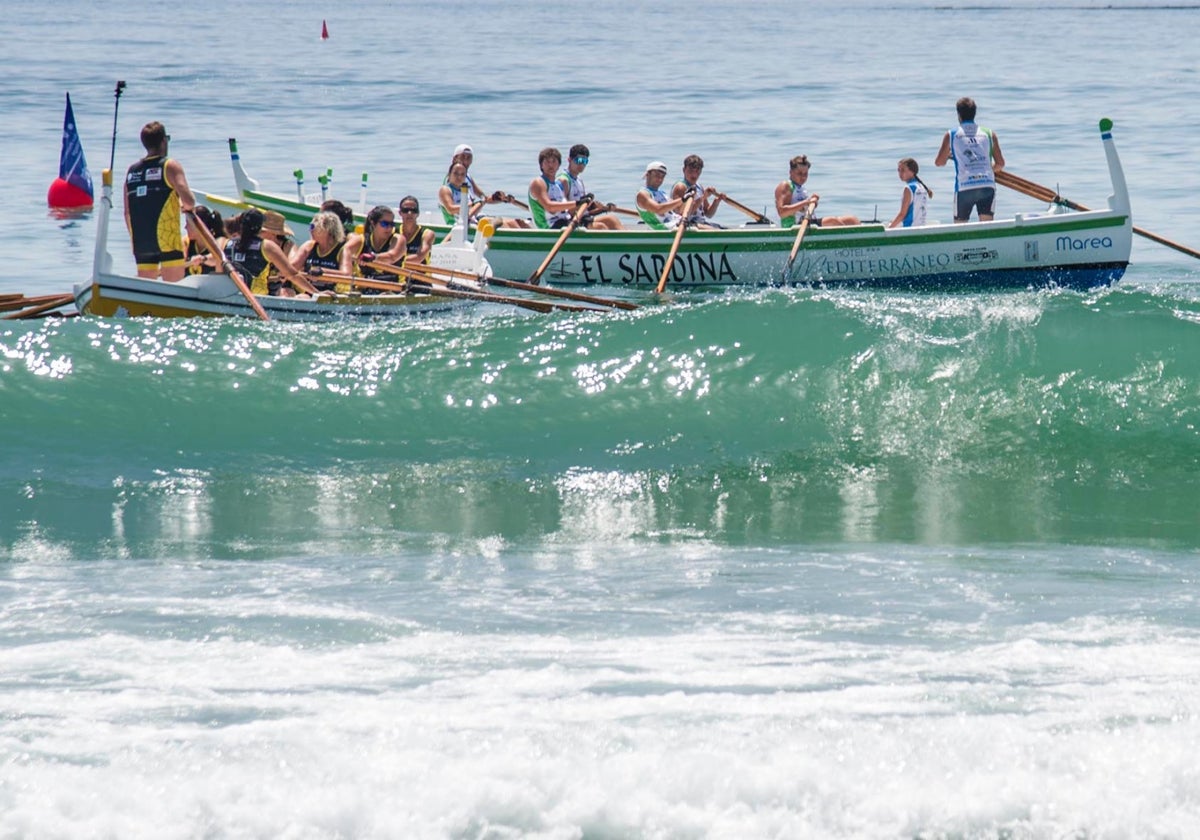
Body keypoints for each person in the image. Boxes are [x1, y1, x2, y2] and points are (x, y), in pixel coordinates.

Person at [124, 121, 196, 282]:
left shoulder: (132, 171)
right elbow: (189, 201)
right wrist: (184, 206)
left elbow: (127, 212)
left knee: (147, 291)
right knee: (174, 291)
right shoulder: (170, 166)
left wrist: (135, 240)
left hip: (141, 241)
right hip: (167, 240)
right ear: (164, 141)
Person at [934, 96, 1005, 222]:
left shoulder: (951, 134)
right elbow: (1000, 164)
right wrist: (988, 171)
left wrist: (949, 155)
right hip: (987, 184)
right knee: (987, 227)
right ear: (975, 113)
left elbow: (939, 162)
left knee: (960, 228)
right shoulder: (989, 134)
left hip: (964, 186)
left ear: (958, 115)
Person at [223, 207, 308, 297]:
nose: (257, 233)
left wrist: (283, 268)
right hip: (264, 284)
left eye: (262, 231)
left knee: (285, 292)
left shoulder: (288, 246)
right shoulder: (257, 245)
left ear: (273, 233)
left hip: (286, 284)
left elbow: (293, 267)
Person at [774, 155, 860, 228]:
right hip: (794, 227)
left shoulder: (801, 188)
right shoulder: (786, 185)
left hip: (808, 222)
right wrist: (806, 202)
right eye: (799, 173)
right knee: (832, 221)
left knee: (852, 219)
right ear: (791, 172)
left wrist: (811, 204)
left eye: (805, 174)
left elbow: (802, 208)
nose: (803, 177)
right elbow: (782, 212)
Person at [439, 162, 527, 228]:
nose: (459, 177)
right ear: (449, 174)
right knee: (503, 225)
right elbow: (450, 209)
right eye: (455, 173)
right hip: (460, 224)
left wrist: (498, 198)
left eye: (462, 174)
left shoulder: (465, 188)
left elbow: (484, 199)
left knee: (517, 222)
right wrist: (473, 204)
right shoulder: (445, 189)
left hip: (474, 218)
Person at [557, 144, 622, 230]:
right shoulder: (563, 180)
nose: (581, 164)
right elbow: (565, 210)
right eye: (578, 160)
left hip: (583, 219)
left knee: (612, 219)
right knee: (600, 227)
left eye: (585, 161)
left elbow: (585, 211)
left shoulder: (579, 180)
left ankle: (630, 242)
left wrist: (603, 209)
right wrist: (589, 204)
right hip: (570, 222)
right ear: (569, 160)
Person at [291, 210, 350, 289]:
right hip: (309, 290)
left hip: (332, 293)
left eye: (312, 226)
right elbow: (291, 267)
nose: (310, 230)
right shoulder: (308, 246)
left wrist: (322, 271)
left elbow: (346, 275)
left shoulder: (343, 250)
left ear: (326, 228)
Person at [349, 205, 407, 282]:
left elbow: (392, 257)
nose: (389, 228)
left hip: (395, 289)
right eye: (385, 224)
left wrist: (373, 257)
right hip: (364, 288)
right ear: (373, 223)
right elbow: (344, 252)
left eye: (391, 224)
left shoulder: (398, 239)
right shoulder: (361, 240)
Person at [528, 147, 580, 229]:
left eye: (554, 161)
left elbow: (567, 209)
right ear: (541, 165)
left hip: (564, 223)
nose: (551, 165)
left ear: (559, 165)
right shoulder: (538, 183)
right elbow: (550, 207)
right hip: (548, 228)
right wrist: (577, 203)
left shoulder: (559, 185)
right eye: (547, 162)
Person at [669, 155, 724, 228]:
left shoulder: (699, 187)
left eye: (697, 171)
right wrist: (703, 197)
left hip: (700, 223)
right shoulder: (681, 187)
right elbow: (682, 213)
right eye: (691, 171)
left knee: (723, 228)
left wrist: (716, 201)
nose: (694, 174)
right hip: (685, 224)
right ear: (684, 170)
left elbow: (708, 214)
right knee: (716, 231)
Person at [635, 161, 688, 229]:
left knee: (700, 225)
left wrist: (687, 199)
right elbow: (658, 209)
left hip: (677, 224)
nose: (660, 179)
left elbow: (679, 210)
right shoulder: (643, 194)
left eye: (662, 176)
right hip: (662, 229)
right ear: (647, 174)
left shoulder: (662, 193)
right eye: (657, 175)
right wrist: (683, 199)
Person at [888, 158, 933, 229]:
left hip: (909, 229)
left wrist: (890, 228)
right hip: (921, 227)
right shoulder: (922, 187)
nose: (900, 173)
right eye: (898, 170)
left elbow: (902, 214)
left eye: (903, 170)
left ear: (912, 171)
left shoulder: (908, 188)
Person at [184, 205, 225, 275]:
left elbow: (217, 258)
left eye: (188, 224)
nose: (185, 227)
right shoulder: (186, 241)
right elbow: (179, 261)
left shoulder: (219, 241)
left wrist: (203, 259)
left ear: (199, 226)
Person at [397, 196, 435, 265]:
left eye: (413, 210)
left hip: (419, 275)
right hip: (399, 275)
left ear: (418, 213)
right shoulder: (394, 232)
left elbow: (419, 258)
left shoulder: (427, 234)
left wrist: (392, 259)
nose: (409, 213)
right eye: (405, 210)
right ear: (400, 213)